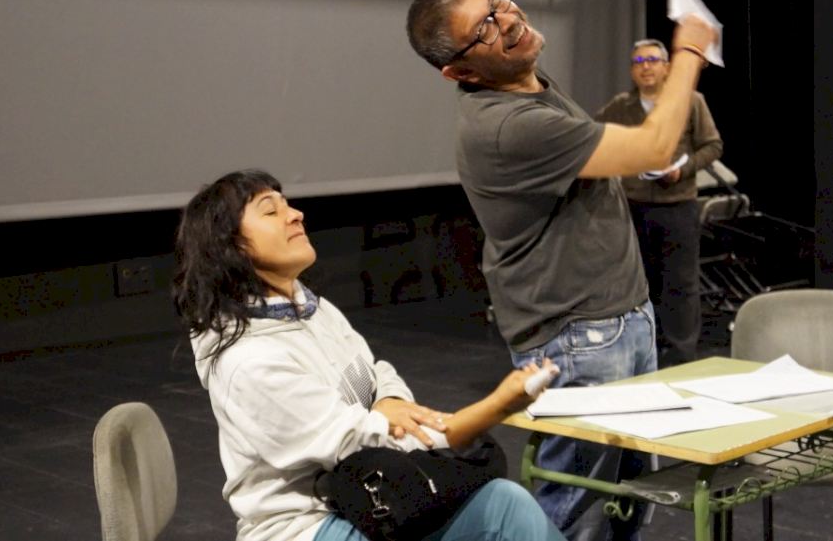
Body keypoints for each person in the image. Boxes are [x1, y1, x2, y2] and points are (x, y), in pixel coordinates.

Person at [406, 0, 717, 540]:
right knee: (576, 511)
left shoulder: (528, 84)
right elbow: (652, 147)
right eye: (484, 27)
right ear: (460, 72)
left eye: (496, 0)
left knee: (625, 503)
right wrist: (690, 49)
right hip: (579, 338)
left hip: (616, 321)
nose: (506, 18)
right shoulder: (508, 125)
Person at [173, 168, 566, 541]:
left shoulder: (313, 309)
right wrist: (494, 408)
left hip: (370, 497)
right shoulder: (250, 362)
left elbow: (377, 374)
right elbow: (361, 441)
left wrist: (387, 400)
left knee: (505, 503)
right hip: (308, 524)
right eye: (270, 211)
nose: (295, 215)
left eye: (286, 203)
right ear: (232, 247)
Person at [595, 39, 723, 365]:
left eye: (652, 60)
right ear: (632, 71)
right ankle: (645, 350)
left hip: (678, 205)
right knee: (639, 282)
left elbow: (712, 146)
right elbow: (594, 135)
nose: (646, 66)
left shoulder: (690, 101)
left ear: (666, 67)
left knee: (680, 283)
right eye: (638, 61)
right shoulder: (622, 106)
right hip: (633, 206)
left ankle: (681, 355)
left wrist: (683, 169)